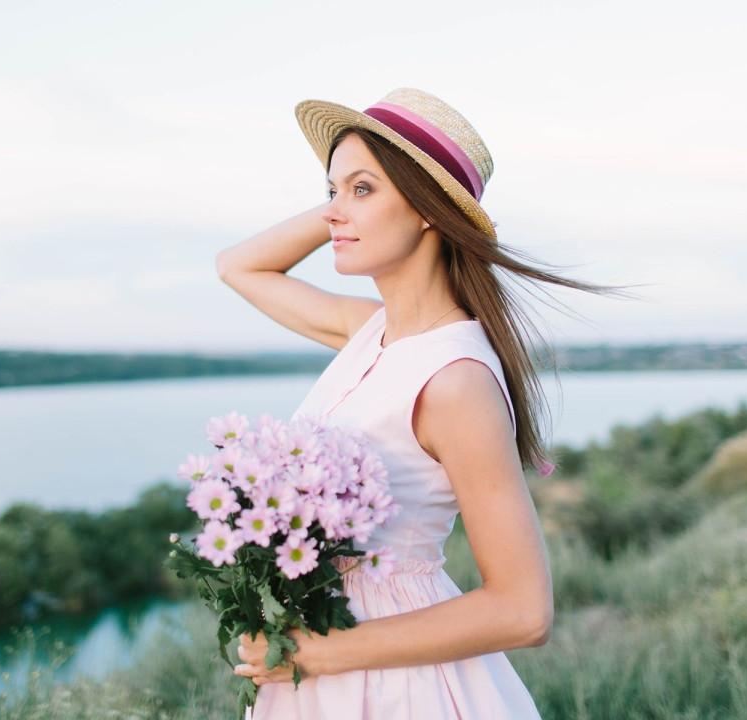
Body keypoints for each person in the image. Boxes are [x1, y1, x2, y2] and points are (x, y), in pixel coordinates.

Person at [217, 88, 613, 719]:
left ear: (429, 208)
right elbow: (238, 266)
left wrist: (315, 654)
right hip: (325, 663)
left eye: (362, 190)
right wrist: (352, 195)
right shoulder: (369, 331)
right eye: (330, 191)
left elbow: (523, 610)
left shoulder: (454, 380)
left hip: (393, 684)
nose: (333, 213)